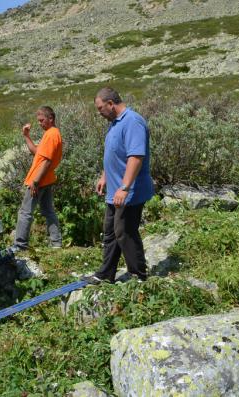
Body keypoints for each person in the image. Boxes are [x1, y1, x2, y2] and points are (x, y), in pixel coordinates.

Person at [83, 87, 154, 284]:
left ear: (111, 104)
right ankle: (106, 274)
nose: (99, 113)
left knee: (125, 232)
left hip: (130, 192)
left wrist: (124, 187)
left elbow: (136, 157)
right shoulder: (115, 123)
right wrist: (104, 176)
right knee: (111, 232)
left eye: (100, 108)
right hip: (115, 190)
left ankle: (139, 276)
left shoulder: (133, 121)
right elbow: (116, 153)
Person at [11, 106, 63, 252]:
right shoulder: (50, 133)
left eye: (42, 120)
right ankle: (56, 243)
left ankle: (20, 245)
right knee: (48, 211)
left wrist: (35, 182)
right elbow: (37, 152)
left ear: (50, 119)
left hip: (39, 180)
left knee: (25, 212)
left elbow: (46, 161)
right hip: (47, 180)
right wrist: (26, 136)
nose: (39, 123)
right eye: (38, 121)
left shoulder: (52, 134)